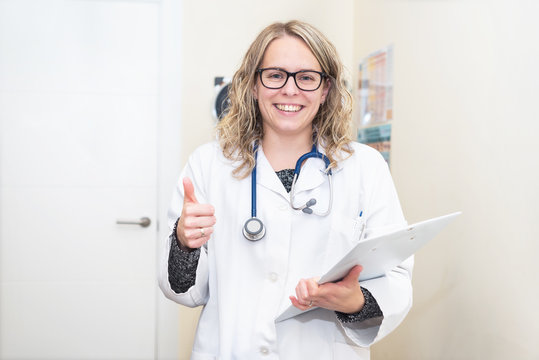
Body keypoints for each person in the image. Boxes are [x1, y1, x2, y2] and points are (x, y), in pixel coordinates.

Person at [159, 20, 413, 360]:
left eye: (306, 77)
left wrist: (355, 302)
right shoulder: (209, 165)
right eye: (276, 75)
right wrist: (184, 242)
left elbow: (394, 275)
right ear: (253, 85)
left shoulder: (365, 167)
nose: (290, 90)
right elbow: (186, 291)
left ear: (326, 90)